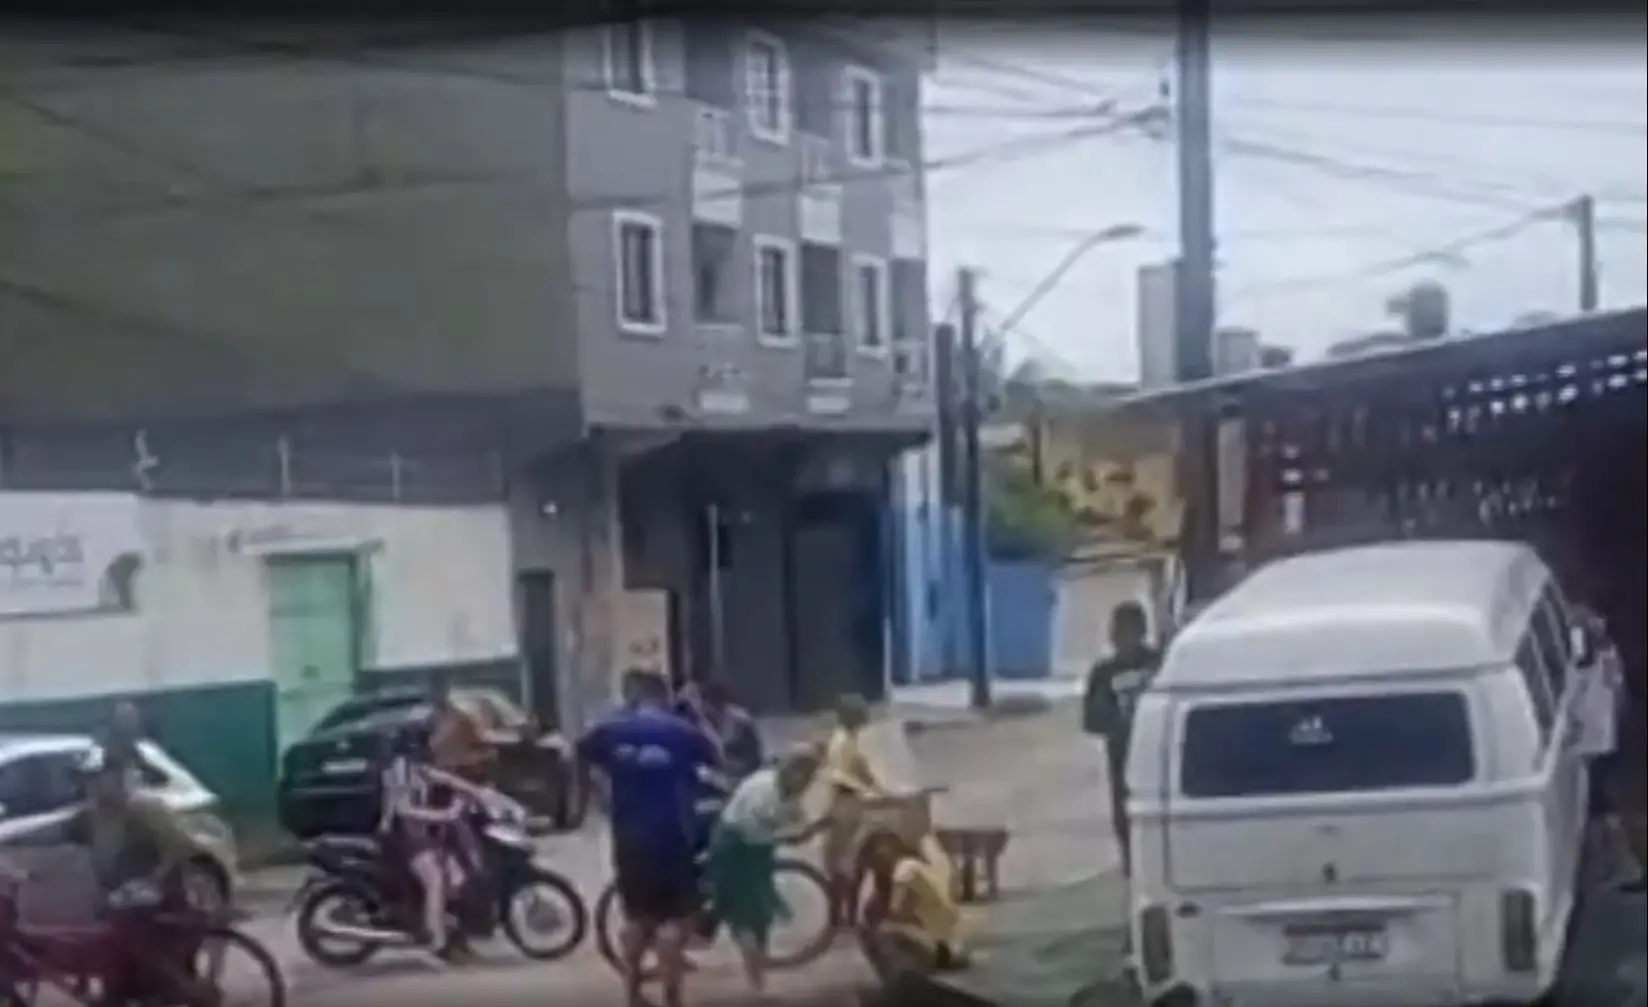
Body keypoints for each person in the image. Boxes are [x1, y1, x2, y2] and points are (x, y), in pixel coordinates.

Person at [578, 668, 721, 1007]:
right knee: (677, 919)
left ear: (632, 695)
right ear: (664, 695)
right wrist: (696, 712)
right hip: (673, 834)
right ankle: (673, 997)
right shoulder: (681, 730)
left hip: (628, 835)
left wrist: (595, 797)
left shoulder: (610, 729)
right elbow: (716, 754)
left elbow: (579, 754)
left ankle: (632, 993)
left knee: (637, 917)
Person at [67, 746, 214, 1004]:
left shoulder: (145, 807)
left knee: (144, 957)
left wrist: (153, 880)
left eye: (99, 778)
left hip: (159, 898)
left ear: (118, 776)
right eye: (88, 780)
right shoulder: (92, 817)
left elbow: (181, 847)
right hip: (121, 901)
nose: (94, 787)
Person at [704, 746, 827, 992]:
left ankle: (756, 969)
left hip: (753, 849)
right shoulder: (765, 793)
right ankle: (755, 977)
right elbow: (777, 831)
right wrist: (805, 832)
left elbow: (793, 820)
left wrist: (808, 827)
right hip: (737, 851)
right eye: (807, 774)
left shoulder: (779, 787)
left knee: (759, 913)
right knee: (744, 916)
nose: (808, 781)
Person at [378, 725, 478, 961]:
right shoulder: (399, 771)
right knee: (436, 880)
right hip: (401, 836)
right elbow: (404, 811)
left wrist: (479, 793)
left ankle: (445, 926)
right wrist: (445, 816)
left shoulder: (416, 767)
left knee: (457, 877)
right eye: (427, 742)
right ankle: (437, 942)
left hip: (420, 835)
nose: (432, 746)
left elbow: (445, 778)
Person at [1082, 601, 1160, 875]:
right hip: (1122, 756)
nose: (1123, 639)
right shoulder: (1103, 673)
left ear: (1142, 632)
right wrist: (1116, 724)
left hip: (1156, 753)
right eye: (1118, 632)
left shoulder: (1158, 664)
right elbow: (1091, 720)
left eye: (1130, 631)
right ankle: (1131, 863)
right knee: (1125, 813)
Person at [1571, 607, 1641, 888]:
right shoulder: (1605, 658)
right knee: (1599, 802)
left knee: (1598, 804)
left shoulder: (1595, 662)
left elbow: (1584, 694)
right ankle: (1612, 861)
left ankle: (1615, 862)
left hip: (1595, 740)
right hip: (1599, 738)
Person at [819, 693, 885, 928]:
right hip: (847, 802)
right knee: (846, 862)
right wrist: (880, 791)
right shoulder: (845, 742)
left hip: (843, 800)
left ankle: (841, 915)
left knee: (838, 861)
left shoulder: (844, 739)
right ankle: (843, 915)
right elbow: (858, 772)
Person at [680, 678, 765, 780]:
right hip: (713, 780)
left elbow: (754, 758)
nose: (712, 710)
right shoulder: (697, 725)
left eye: (717, 705)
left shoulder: (741, 721)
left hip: (741, 776)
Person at [427, 676, 491, 784]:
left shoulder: (454, 717)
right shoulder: (459, 718)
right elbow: (476, 740)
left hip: (446, 768)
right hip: (455, 768)